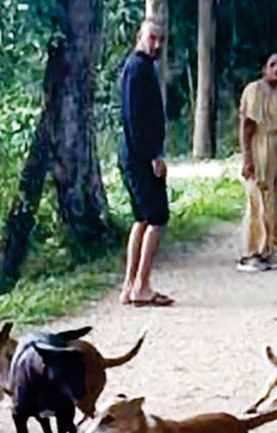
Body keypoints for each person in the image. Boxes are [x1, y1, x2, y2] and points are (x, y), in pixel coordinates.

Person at [118, 18, 173, 307]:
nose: (157, 45)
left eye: (160, 39)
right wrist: (153, 154)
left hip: (132, 152)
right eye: (152, 38)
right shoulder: (138, 69)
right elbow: (136, 118)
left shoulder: (139, 68)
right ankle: (142, 285)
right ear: (140, 36)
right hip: (139, 154)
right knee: (157, 217)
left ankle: (131, 285)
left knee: (142, 218)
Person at [237, 52, 277, 273]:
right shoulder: (255, 90)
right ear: (264, 68)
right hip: (262, 145)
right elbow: (247, 126)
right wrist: (247, 158)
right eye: (272, 65)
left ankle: (270, 249)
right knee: (261, 198)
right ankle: (254, 251)